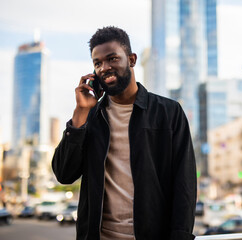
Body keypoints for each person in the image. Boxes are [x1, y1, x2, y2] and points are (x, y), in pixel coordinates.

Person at [52, 26, 197, 240]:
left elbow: (184, 183)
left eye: (112, 59)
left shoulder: (168, 112)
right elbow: (64, 174)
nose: (104, 68)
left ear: (131, 59)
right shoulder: (90, 117)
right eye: (97, 63)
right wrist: (81, 112)